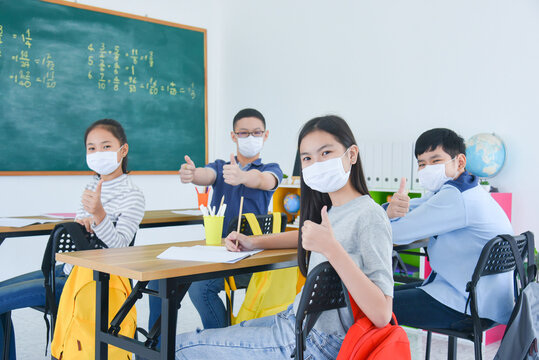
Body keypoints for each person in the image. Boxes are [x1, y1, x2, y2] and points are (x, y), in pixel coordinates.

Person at [174, 115, 394, 359]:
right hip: (295, 320)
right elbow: (303, 237)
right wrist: (254, 242)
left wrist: (331, 249)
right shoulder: (333, 210)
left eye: (326, 153)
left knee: (178, 347)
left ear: (351, 155)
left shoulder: (369, 216)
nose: (317, 163)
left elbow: (382, 314)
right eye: (307, 158)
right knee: (208, 337)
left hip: (316, 340)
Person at [0, 119, 145, 359]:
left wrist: (99, 215)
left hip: (92, 280)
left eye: (106, 146)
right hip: (70, 268)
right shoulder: (91, 185)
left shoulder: (133, 194)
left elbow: (120, 248)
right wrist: (85, 224)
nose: (98, 153)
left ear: (123, 150)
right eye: (91, 148)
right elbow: (81, 234)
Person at [146, 108, 283, 331]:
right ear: (233, 136)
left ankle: (221, 341)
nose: (250, 138)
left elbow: (264, 181)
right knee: (159, 281)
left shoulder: (271, 169)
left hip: (251, 256)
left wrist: (243, 177)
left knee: (201, 288)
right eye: (244, 133)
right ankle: (164, 345)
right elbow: (206, 175)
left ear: (265, 135)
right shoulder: (220, 166)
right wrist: (193, 175)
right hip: (217, 250)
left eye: (257, 133)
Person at [386, 128, 513, 330]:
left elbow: (396, 234)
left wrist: (387, 216)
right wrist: (391, 210)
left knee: (370, 306)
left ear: (460, 162)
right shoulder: (464, 188)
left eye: (436, 161)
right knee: (381, 295)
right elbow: (418, 207)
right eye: (421, 163)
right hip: (485, 302)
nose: (427, 168)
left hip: (467, 305)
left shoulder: (455, 197)